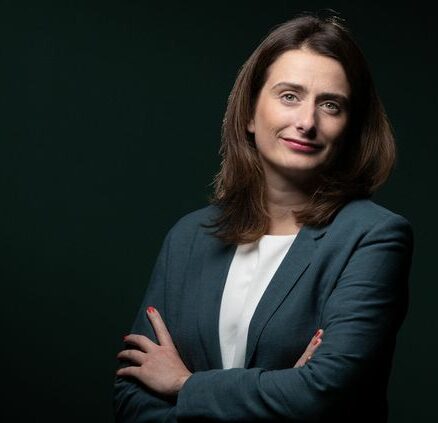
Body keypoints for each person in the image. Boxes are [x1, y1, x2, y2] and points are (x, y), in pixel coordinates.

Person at [113, 12, 414, 422]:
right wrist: (282, 391)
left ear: (350, 130)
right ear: (250, 114)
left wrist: (184, 384)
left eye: (330, 105)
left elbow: (321, 395)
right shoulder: (189, 237)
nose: (306, 122)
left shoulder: (373, 236)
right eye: (289, 96)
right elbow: (133, 400)